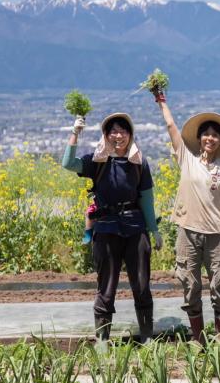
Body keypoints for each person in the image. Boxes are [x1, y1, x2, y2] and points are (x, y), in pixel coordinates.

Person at [62, 113, 163, 343]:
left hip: (135, 228)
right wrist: (75, 133)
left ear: (130, 134)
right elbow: (68, 163)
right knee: (106, 285)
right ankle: (103, 339)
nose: (118, 136)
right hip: (106, 229)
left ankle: (146, 336)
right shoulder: (97, 160)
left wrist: (153, 230)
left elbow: (146, 199)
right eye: (113, 131)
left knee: (141, 283)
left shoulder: (139, 162)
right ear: (106, 135)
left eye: (123, 131)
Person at [153, 88, 220, 344]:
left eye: (215, 136)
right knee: (190, 285)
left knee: (219, 285)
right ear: (199, 138)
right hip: (188, 232)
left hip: (216, 234)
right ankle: (198, 339)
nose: (210, 139)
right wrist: (162, 102)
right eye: (206, 134)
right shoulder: (186, 159)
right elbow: (171, 126)